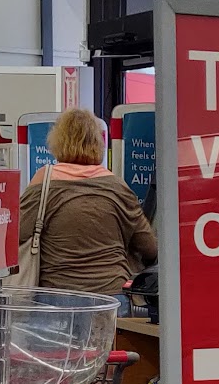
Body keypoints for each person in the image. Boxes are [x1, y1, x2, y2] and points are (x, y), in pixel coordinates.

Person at [16, 107, 157, 296]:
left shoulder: (44, 182)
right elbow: (149, 248)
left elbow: (16, 235)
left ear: (57, 142)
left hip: (57, 298)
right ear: (98, 142)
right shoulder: (118, 187)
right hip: (111, 297)